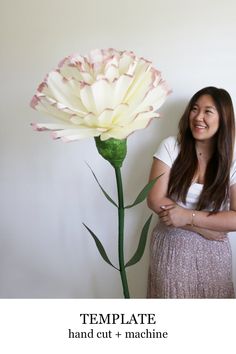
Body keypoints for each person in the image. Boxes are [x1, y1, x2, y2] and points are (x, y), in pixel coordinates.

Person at [147, 86, 236, 298]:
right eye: (194, 109)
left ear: (223, 118)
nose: (198, 117)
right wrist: (200, 228)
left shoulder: (232, 160)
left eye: (208, 111)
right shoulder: (171, 146)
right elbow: (154, 198)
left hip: (214, 253)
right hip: (171, 247)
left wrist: (186, 216)